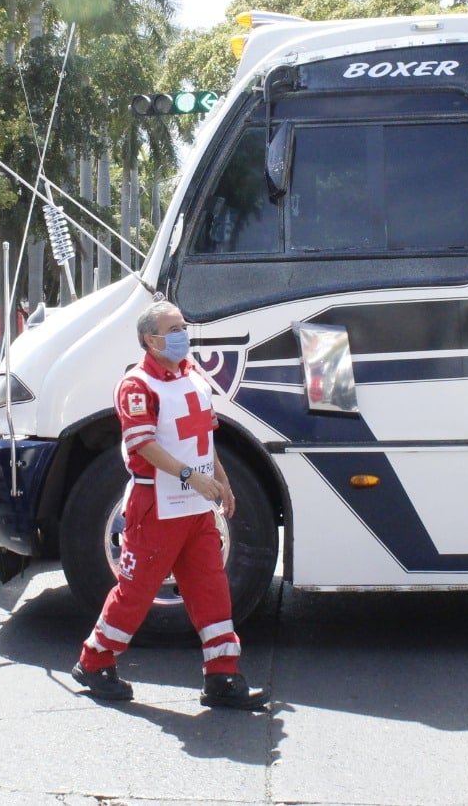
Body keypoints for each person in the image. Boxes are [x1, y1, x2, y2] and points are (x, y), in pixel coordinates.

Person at [72, 300, 268, 710]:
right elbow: (143, 444)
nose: (184, 334)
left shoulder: (193, 375)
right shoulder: (137, 385)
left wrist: (221, 480)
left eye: (182, 325)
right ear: (150, 339)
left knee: (211, 590)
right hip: (156, 506)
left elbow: (204, 435)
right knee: (135, 593)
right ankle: (94, 662)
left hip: (195, 507)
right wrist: (190, 477)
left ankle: (222, 675)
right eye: (174, 328)